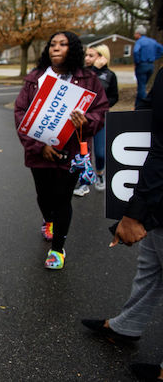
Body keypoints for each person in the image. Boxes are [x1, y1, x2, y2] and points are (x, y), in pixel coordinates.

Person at [81, 67, 163, 382]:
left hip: (155, 192)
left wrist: (136, 212)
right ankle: (127, 325)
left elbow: (161, 149)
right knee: (151, 266)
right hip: (156, 197)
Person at [14, 31, 108, 270]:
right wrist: (39, 146)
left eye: (63, 44)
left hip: (72, 151)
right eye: (53, 44)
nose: (56, 48)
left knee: (63, 198)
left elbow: (101, 110)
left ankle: (57, 248)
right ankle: (48, 220)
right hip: (39, 152)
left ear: (73, 49)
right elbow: (21, 113)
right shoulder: (35, 78)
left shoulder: (88, 79)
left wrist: (86, 120)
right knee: (44, 196)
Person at [74, 44, 119, 197]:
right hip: (83, 120)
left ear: (102, 57)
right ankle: (84, 183)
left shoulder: (110, 75)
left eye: (91, 55)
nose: (87, 58)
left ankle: (100, 174)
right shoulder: (83, 74)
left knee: (100, 153)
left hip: (100, 119)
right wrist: (94, 71)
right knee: (84, 153)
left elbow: (114, 96)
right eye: (86, 55)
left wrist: (104, 106)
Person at [133, 25, 163, 110]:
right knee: (143, 85)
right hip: (151, 65)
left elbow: (135, 51)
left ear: (138, 34)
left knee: (141, 86)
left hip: (142, 65)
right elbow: (161, 50)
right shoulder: (152, 41)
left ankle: (143, 107)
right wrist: (155, 57)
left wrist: (137, 61)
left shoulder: (139, 42)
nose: (134, 35)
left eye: (135, 33)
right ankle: (137, 105)